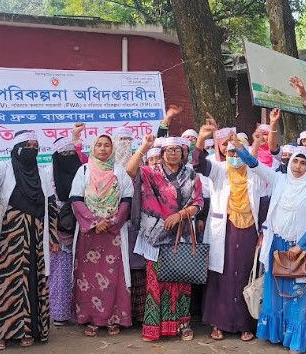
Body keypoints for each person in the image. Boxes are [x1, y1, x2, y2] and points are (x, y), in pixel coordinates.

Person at [227, 145, 306, 354]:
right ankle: (280, 334)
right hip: (277, 246)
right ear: (289, 163)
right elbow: (255, 166)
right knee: (279, 291)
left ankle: (299, 340)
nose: (298, 167)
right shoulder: (281, 180)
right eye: (296, 162)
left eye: (303, 163)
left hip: (301, 249)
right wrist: (238, 147)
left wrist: (300, 246)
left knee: (300, 293)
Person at [0, 130, 59, 350]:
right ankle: (3, 332)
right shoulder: (4, 168)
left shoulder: (42, 173)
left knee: (33, 281)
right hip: (9, 241)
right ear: (16, 148)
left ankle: (28, 330)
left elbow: (50, 206)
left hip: (36, 240)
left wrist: (52, 236)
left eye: (35, 145)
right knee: (8, 284)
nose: (32, 149)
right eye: (27, 145)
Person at [193, 120, 271, 342]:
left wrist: (263, 232)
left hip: (249, 232)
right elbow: (198, 164)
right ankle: (219, 323)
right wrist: (201, 137)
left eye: (238, 151)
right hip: (224, 231)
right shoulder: (219, 171)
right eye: (230, 151)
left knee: (247, 274)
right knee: (222, 275)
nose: (234, 155)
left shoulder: (256, 174)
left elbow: (264, 204)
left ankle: (246, 324)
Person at [126, 135, 204, 342]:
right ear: (161, 154)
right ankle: (154, 326)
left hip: (182, 236)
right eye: (168, 150)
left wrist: (179, 215)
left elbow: (198, 203)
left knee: (182, 282)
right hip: (154, 237)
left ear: (183, 154)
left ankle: (183, 325)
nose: (172, 152)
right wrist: (144, 145)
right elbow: (130, 170)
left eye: (177, 149)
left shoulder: (191, 175)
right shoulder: (151, 172)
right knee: (156, 282)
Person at [68, 134, 135, 336]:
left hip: (113, 232)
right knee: (88, 276)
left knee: (114, 276)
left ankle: (113, 318)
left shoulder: (119, 171)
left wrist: (112, 221)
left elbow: (127, 199)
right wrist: (95, 221)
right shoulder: (84, 170)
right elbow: (76, 198)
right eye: (99, 145)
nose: (103, 149)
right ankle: (91, 318)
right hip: (90, 233)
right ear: (93, 148)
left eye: (107, 145)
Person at [49, 126, 90, 326]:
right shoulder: (49, 176)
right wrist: (52, 236)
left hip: (82, 231)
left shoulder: (83, 174)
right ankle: (59, 312)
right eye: (63, 154)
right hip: (59, 234)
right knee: (60, 274)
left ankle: (78, 312)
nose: (68, 156)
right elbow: (47, 208)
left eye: (71, 153)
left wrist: (76, 139)